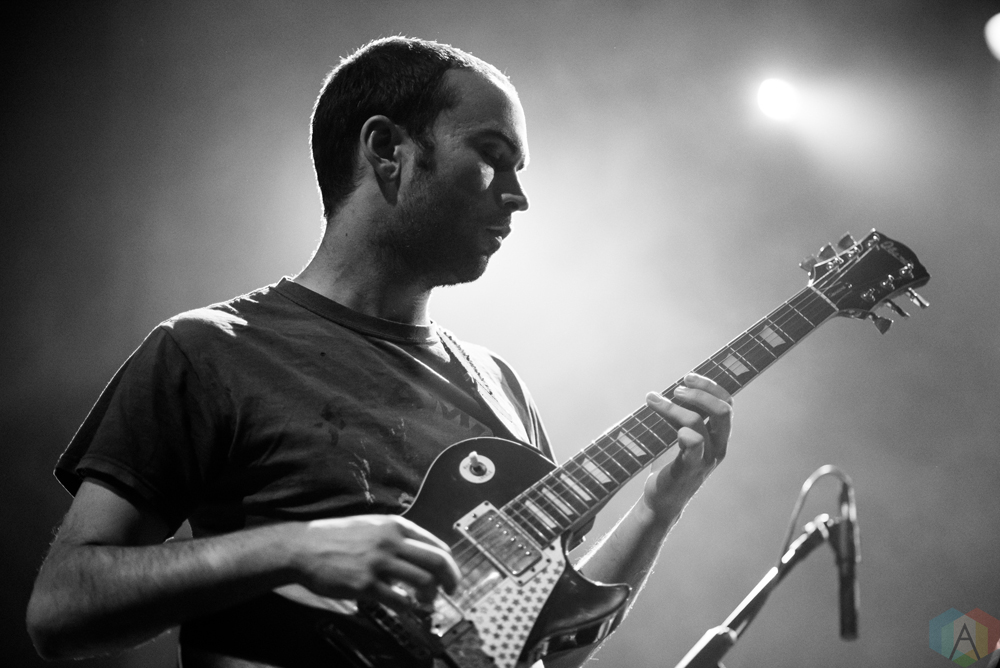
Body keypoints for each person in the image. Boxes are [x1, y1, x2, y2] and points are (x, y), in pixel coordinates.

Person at [26, 37, 733, 667]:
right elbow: (60, 610)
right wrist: (292, 549)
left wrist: (657, 509)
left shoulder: (500, 385)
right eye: (493, 157)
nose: (519, 196)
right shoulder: (207, 350)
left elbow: (534, 644)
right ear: (388, 149)